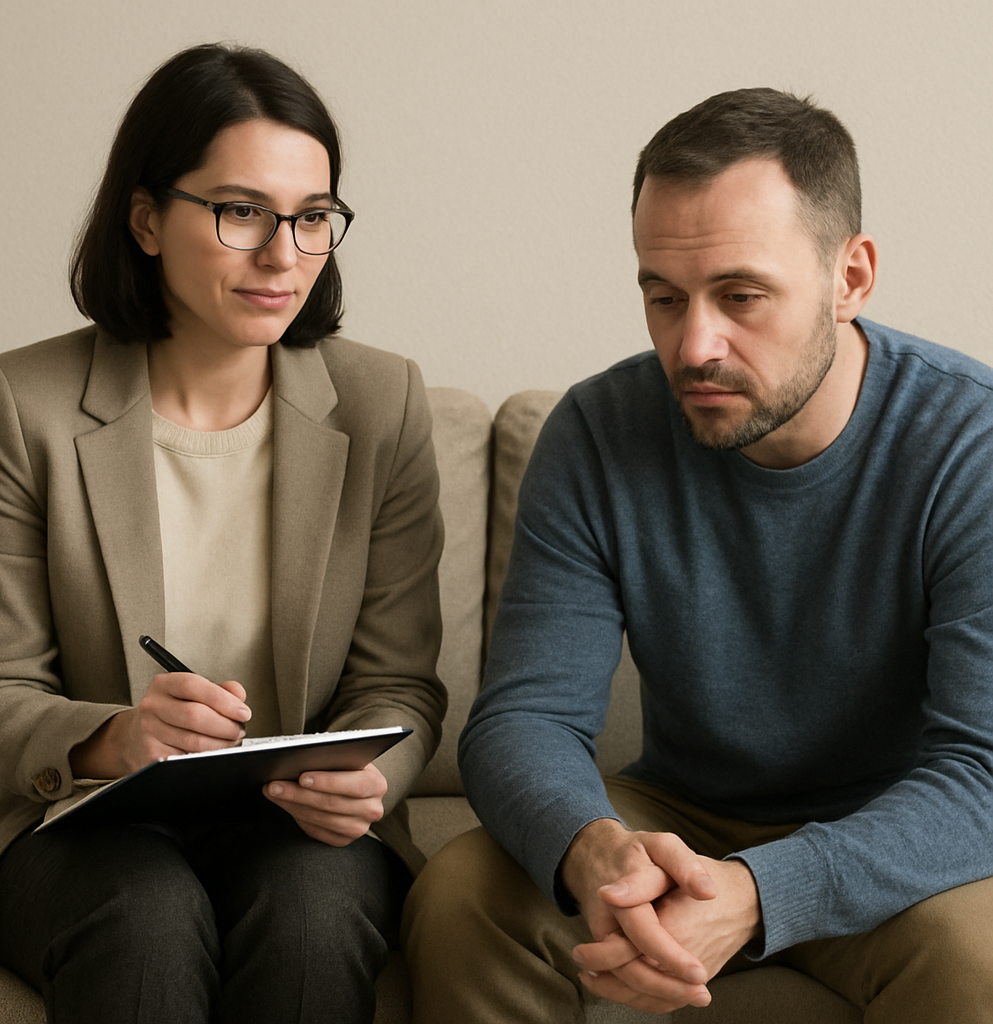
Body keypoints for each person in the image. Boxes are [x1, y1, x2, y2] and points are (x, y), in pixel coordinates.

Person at [401, 87, 993, 1023]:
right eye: (663, 297)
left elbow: (983, 771)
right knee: (463, 895)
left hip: (896, 840)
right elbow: (523, 717)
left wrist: (762, 890)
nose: (695, 344)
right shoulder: (598, 433)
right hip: (674, 819)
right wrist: (592, 849)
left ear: (853, 276)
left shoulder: (971, 443)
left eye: (741, 295)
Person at [0, 43, 445, 1024]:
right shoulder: (24, 401)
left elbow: (401, 682)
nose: (285, 256)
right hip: (77, 821)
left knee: (316, 907)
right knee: (143, 907)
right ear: (146, 219)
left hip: (288, 824)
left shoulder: (381, 400)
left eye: (312, 218)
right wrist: (118, 734)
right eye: (242, 212)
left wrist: (371, 780)